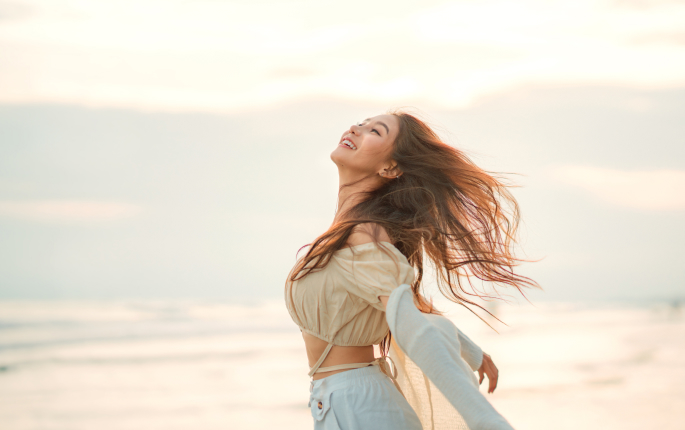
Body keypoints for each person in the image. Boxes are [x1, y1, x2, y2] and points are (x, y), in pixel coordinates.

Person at [284, 110, 538, 429]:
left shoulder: (365, 234)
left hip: (359, 406)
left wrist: (487, 421)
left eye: (374, 131)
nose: (356, 128)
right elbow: (406, 305)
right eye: (361, 123)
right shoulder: (350, 232)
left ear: (391, 167)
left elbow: (411, 327)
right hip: (341, 401)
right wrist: (471, 350)